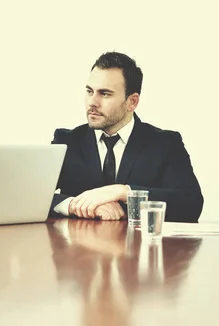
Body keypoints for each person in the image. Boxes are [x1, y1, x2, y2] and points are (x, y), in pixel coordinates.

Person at [50, 51, 203, 223]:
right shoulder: (66, 141)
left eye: (105, 93)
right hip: (78, 247)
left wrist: (124, 192)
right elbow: (27, 196)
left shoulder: (165, 144)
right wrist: (73, 204)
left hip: (139, 247)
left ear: (132, 102)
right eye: (89, 91)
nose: (92, 102)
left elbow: (191, 204)